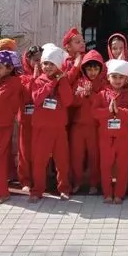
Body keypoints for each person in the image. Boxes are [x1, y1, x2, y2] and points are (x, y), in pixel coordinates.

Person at [29, 43, 73, 202]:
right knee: (39, 161)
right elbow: (37, 98)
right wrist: (52, 83)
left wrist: (61, 82)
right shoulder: (38, 80)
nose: (47, 67)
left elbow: (68, 101)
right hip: (42, 128)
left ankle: (64, 188)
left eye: (51, 64)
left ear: (58, 66)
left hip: (59, 128)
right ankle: (37, 190)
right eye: (45, 63)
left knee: (62, 161)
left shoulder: (63, 81)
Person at [94, 59, 128, 204]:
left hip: (123, 137)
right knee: (106, 165)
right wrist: (108, 111)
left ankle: (119, 193)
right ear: (108, 77)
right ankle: (107, 193)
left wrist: (120, 111)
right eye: (114, 76)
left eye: (121, 77)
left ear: (126, 78)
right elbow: (94, 113)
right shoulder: (101, 94)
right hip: (106, 137)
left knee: (122, 166)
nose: (117, 80)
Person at [0, 50, 25, 205]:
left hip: (3, 125)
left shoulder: (13, 83)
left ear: (9, 68)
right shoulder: (1, 81)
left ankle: (1, 192)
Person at [69, 50, 107, 194]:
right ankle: (77, 182)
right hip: (78, 126)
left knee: (94, 156)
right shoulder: (79, 82)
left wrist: (90, 95)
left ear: (100, 69)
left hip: (95, 127)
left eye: (96, 69)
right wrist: (80, 95)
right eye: (89, 69)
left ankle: (94, 183)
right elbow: (71, 102)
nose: (92, 72)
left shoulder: (103, 84)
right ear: (84, 69)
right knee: (76, 156)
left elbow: (103, 104)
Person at [17, 45, 42, 192]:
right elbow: (27, 95)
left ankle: (38, 179)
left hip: (42, 121)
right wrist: (34, 78)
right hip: (26, 120)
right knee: (24, 152)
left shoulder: (46, 75)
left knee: (39, 152)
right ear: (28, 60)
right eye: (36, 60)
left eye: (41, 60)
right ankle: (25, 180)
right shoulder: (22, 77)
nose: (38, 63)